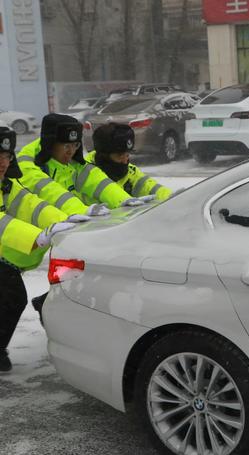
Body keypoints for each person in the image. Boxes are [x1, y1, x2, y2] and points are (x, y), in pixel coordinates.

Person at [0, 127, 77, 372]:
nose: (3, 162)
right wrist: (37, 237)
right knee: (12, 295)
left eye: (6, 156)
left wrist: (67, 220)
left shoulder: (7, 184)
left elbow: (31, 204)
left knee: (10, 295)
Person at [17, 113, 146, 215]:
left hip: (55, 239)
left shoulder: (72, 162)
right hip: (23, 244)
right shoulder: (27, 164)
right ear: (50, 143)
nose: (71, 152)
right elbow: (49, 191)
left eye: (75, 145)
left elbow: (97, 180)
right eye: (66, 146)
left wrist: (123, 199)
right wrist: (81, 210)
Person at [86, 123, 172, 201]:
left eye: (127, 155)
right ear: (103, 155)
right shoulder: (83, 173)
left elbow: (149, 186)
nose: (125, 161)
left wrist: (170, 197)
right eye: (120, 156)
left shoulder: (130, 172)